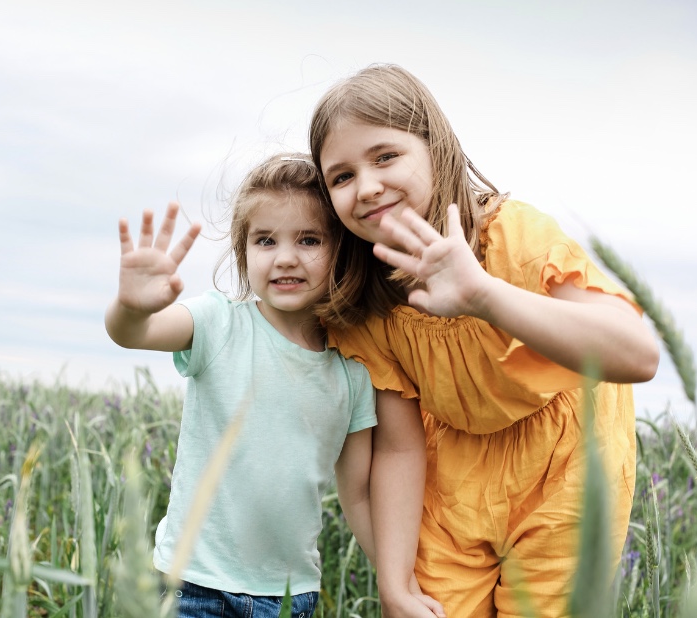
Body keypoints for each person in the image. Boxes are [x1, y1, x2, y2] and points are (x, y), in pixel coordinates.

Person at [308, 64, 661, 618]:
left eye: (385, 156)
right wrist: (395, 584)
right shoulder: (363, 301)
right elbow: (400, 447)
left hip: (566, 464)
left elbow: (638, 355)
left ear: (434, 147)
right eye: (341, 176)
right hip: (450, 471)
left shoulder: (512, 235)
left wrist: (482, 293)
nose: (368, 185)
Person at [104, 153, 438, 618]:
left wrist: (397, 583)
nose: (285, 258)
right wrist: (132, 307)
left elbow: (358, 491)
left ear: (341, 250)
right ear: (244, 253)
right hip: (192, 584)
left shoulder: (353, 368)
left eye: (308, 239)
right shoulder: (219, 324)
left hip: (289, 594)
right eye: (265, 240)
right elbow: (133, 334)